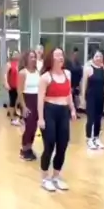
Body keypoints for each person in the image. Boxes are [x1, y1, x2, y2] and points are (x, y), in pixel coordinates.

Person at [38, 47, 77, 191]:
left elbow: (68, 94)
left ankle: (56, 176)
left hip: (63, 111)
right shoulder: (45, 77)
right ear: (51, 58)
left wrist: (72, 109)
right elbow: (40, 99)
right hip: (49, 111)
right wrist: (41, 118)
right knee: (49, 145)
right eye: (57, 55)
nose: (61, 57)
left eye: (62, 55)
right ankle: (45, 178)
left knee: (63, 144)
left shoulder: (68, 74)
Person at [81, 50, 104, 149]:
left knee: (98, 118)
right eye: (96, 56)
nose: (99, 58)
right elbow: (84, 84)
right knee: (91, 118)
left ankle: (96, 138)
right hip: (91, 97)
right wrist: (82, 98)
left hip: (100, 96)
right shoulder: (88, 69)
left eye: (100, 56)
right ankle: (89, 139)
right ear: (93, 57)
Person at [17, 49, 39, 160]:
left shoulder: (38, 72)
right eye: (31, 57)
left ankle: (29, 147)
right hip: (27, 100)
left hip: (37, 100)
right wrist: (24, 107)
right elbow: (19, 91)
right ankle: (24, 149)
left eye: (34, 57)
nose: (33, 59)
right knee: (29, 126)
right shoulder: (23, 73)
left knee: (34, 127)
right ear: (26, 59)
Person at [5, 50, 21, 124]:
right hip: (12, 86)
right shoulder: (9, 64)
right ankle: (12, 118)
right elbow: (5, 74)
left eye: (17, 54)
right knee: (12, 101)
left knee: (18, 101)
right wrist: (6, 83)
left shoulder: (21, 64)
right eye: (14, 54)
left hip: (20, 86)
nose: (16, 55)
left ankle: (14, 112)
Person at [67, 49, 83, 119]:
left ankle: (74, 112)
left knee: (76, 99)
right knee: (71, 99)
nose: (76, 55)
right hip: (70, 84)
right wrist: (70, 86)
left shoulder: (78, 63)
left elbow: (80, 73)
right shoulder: (69, 63)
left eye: (77, 54)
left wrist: (78, 85)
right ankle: (69, 113)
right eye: (75, 54)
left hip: (76, 84)